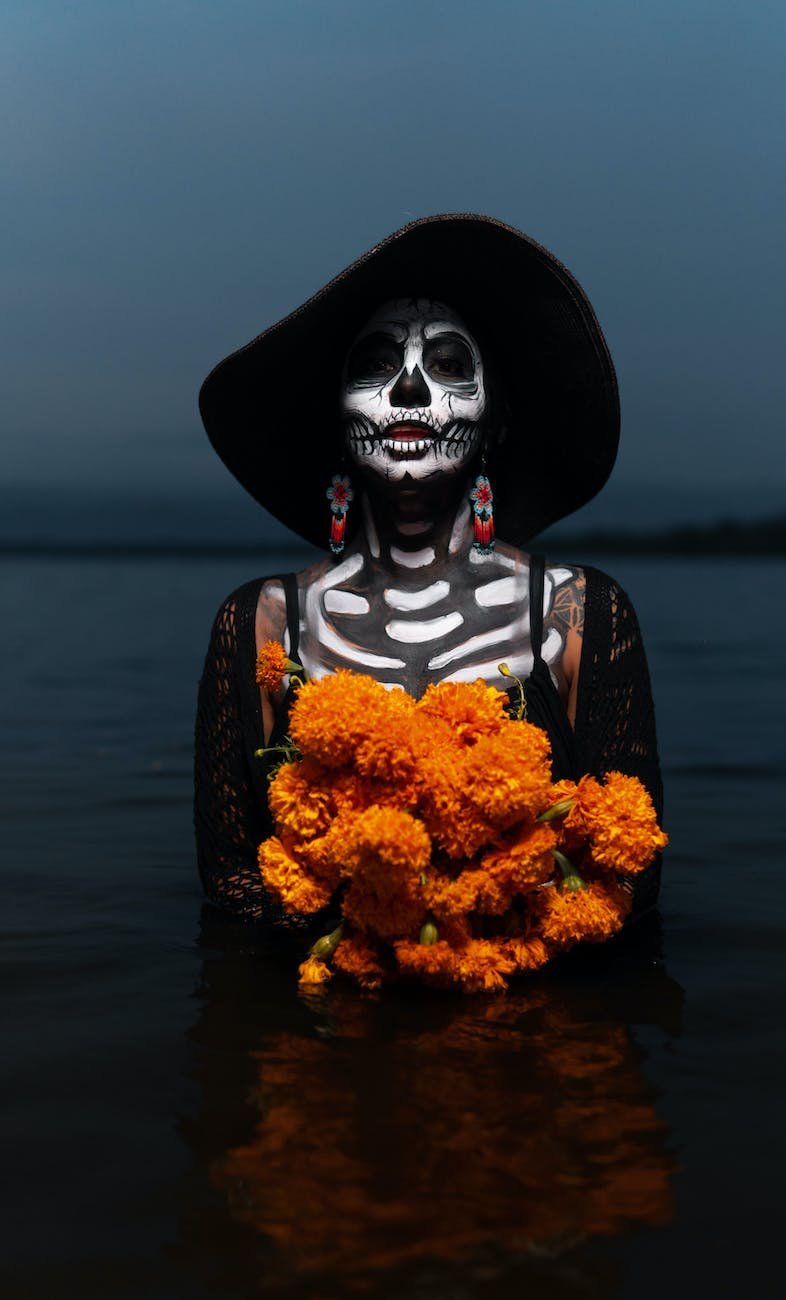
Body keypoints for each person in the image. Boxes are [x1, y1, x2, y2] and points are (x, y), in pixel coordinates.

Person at [195, 214, 662, 927]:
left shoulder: (575, 612)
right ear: (337, 420)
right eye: (375, 363)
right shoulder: (262, 622)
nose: (408, 389)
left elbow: (633, 875)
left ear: (493, 421)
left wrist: (474, 929)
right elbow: (229, 877)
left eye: (447, 365)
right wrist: (387, 933)